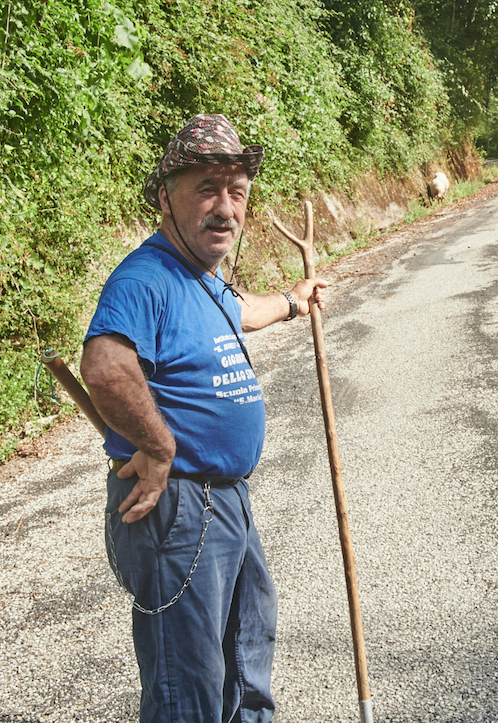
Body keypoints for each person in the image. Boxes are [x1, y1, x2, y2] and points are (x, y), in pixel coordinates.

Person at [80, 113, 327, 723]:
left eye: (237, 192)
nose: (226, 208)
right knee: (186, 690)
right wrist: (158, 448)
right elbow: (106, 367)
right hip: (181, 508)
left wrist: (294, 303)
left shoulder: (204, 279)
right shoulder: (147, 278)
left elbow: (240, 311)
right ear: (165, 197)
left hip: (228, 502)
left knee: (245, 665)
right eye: (207, 190)